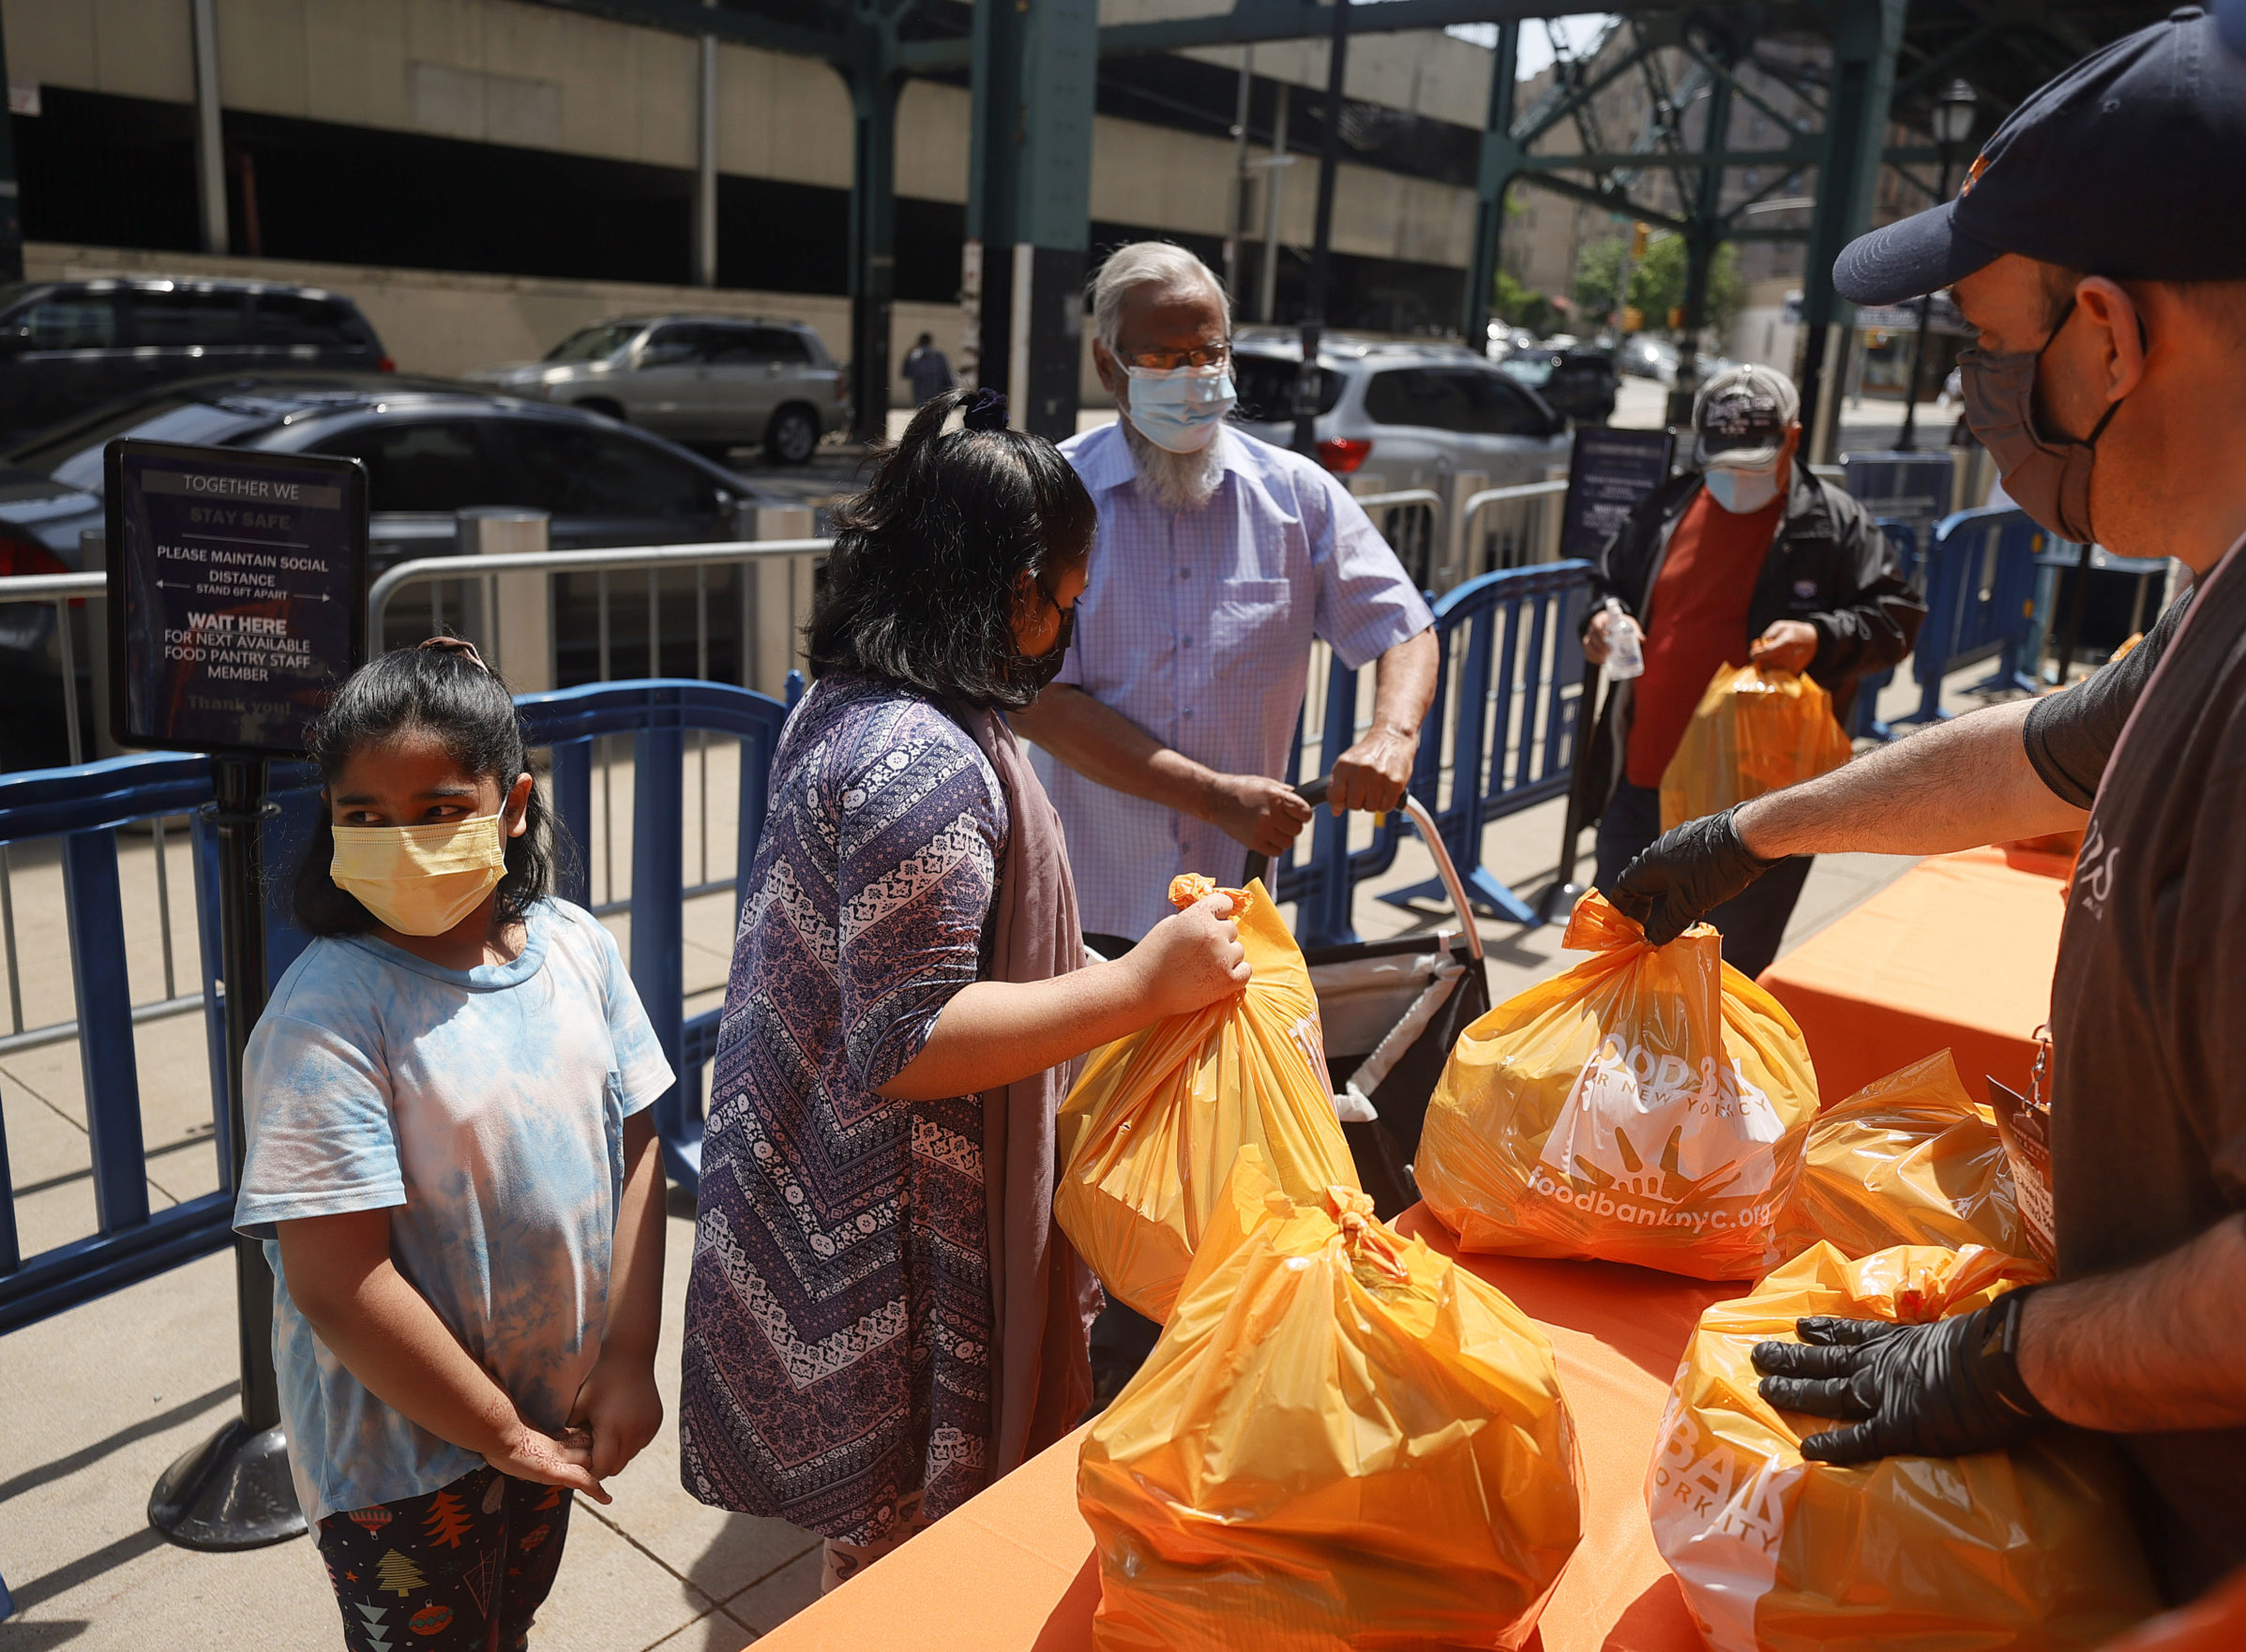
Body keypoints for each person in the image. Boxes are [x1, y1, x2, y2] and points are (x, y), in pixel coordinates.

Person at [1611, 11, 2246, 1601]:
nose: (1976, 391)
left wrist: (2008, 1355)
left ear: (2107, 336)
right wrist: (1757, 830)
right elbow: (2041, 749)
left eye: (1985, 336)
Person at [678, 386, 1251, 1588]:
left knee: (877, 1549)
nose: (1060, 637)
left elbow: (949, 959)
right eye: (1058, 605)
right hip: (891, 1239)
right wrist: (1143, 986)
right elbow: (914, 1035)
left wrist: (1107, 977)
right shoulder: (920, 763)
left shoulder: (857, 703)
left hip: (828, 1193)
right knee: (905, 1566)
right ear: (1000, 591)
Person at [234, 638, 671, 1652]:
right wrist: (500, 1431)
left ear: (510, 806)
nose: (406, 840)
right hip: (398, 1462)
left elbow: (639, 1141)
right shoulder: (327, 1016)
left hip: (547, 1417)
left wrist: (629, 1354)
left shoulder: (575, 946)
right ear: (332, 823)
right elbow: (339, 1282)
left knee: (507, 1623)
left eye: (439, 809)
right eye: (366, 817)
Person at [1013, 241, 1440, 954]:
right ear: (1106, 365)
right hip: (1086, 902)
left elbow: (1404, 626)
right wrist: (1212, 798)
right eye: (1160, 358)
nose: (1191, 377)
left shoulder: (1295, 496)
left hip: (1236, 905)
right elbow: (1040, 701)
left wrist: (1391, 734)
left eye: (1208, 354)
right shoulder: (1055, 496)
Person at [1575, 363, 1921, 976]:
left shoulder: (1832, 523)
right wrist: (1604, 618)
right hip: (1642, 784)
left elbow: (1896, 620)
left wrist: (1820, 636)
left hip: (1755, 809)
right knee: (1616, 964)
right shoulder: (1666, 508)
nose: (1738, 475)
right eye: (1724, 457)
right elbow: (1609, 583)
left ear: (1792, 438)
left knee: (1720, 981)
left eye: (1755, 458)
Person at [903, 331, 956, 407]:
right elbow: (947, 375)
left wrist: (908, 354)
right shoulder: (939, 356)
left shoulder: (914, 357)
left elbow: (905, 373)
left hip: (920, 396)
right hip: (936, 394)